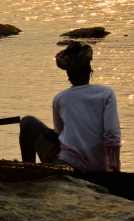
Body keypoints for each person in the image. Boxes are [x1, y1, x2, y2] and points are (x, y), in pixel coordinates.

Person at [19, 41, 122, 171]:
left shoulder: (60, 98)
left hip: (67, 166)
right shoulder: (106, 93)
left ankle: (29, 173)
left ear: (68, 74)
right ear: (89, 70)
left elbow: (60, 134)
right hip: (99, 168)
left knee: (27, 122)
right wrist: (115, 169)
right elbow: (112, 134)